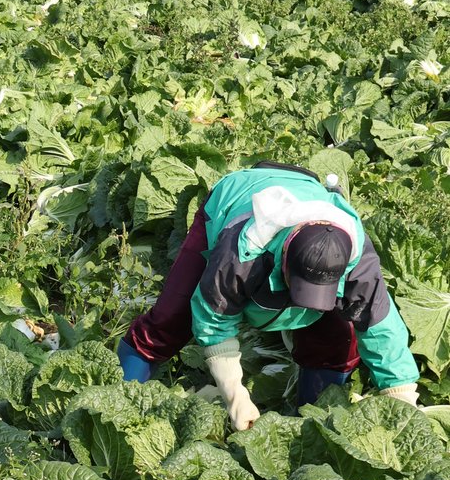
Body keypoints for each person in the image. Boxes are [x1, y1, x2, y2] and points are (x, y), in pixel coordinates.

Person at [119, 163, 419, 428]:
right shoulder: (242, 249)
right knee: (172, 316)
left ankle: (312, 423)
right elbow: (214, 320)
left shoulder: (358, 257)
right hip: (233, 197)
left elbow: (381, 326)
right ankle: (120, 394)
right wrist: (235, 394)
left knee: (337, 340)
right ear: (285, 255)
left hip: (306, 195)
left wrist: (401, 396)